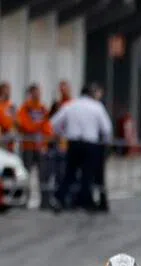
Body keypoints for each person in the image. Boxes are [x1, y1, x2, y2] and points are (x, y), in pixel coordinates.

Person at [49, 83, 112, 212]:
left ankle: (60, 198)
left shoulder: (71, 105)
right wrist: (106, 143)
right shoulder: (97, 107)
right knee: (87, 174)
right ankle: (84, 202)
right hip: (90, 144)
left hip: (73, 142)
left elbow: (54, 123)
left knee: (70, 173)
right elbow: (106, 128)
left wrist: (63, 133)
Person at [16, 84, 53, 209]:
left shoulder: (43, 108)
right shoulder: (25, 108)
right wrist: (39, 126)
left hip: (41, 146)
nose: (37, 95)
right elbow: (26, 126)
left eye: (39, 92)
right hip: (28, 146)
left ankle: (45, 201)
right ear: (30, 94)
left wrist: (45, 140)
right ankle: (23, 200)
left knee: (43, 174)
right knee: (26, 174)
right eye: (35, 92)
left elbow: (48, 127)